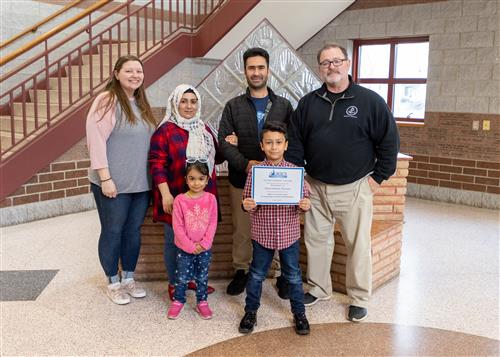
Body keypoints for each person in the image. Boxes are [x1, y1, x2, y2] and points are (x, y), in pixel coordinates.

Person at [286, 43, 400, 322]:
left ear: (348, 64)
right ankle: (319, 287)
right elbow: (295, 144)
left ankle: (359, 297)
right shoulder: (309, 103)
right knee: (316, 241)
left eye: (336, 61)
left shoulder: (369, 101)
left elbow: (389, 142)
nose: (331, 67)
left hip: (355, 187)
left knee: (357, 245)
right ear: (319, 69)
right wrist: (300, 180)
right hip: (315, 186)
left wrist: (377, 179)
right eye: (325, 63)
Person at [218, 47, 293, 297]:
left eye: (261, 67)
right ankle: (241, 270)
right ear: (245, 71)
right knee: (242, 229)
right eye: (252, 68)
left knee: (279, 227)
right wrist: (247, 164)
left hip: (279, 183)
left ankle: (281, 274)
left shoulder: (283, 105)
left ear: (268, 70)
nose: (256, 72)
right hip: (242, 180)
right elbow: (224, 143)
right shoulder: (233, 106)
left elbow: (292, 142)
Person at [86, 55, 156, 305]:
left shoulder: (141, 102)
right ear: (116, 74)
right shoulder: (107, 100)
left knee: (132, 232)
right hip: (113, 183)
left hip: (140, 183)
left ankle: (128, 277)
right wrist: (105, 178)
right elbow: (96, 140)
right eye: (129, 71)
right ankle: (113, 283)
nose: (135, 75)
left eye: (139, 71)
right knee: (113, 231)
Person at [149, 84, 221, 301]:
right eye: (184, 101)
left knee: (198, 237)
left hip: (202, 199)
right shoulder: (165, 131)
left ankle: (191, 279)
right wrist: (165, 194)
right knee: (175, 241)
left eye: (193, 101)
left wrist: (229, 144)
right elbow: (156, 163)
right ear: (175, 103)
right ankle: (175, 282)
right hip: (176, 197)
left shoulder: (204, 129)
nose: (189, 106)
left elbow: (215, 158)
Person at [238, 122, 311, 335]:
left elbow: (305, 198)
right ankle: (251, 312)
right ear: (262, 145)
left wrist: (305, 204)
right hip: (262, 234)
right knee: (257, 275)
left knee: (294, 276)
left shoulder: (296, 173)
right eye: (269, 142)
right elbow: (246, 199)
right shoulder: (255, 172)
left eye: (278, 142)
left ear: (286, 145)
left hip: (288, 234)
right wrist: (247, 204)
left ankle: (299, 313)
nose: (274, 147)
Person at [167, 161, 218, 320]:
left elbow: (212, 223)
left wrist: (204, 244)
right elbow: (178, 226)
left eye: (201, 179)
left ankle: (202, 301)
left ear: (207, 179)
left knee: (202, 276)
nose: (197, 183)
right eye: (192, 178)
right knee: (181, 276)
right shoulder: (180, 200)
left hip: (204, 248)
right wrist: (189, 246)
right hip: (184, 248)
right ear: (186, 179)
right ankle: (178, 300)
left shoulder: (211, 199)